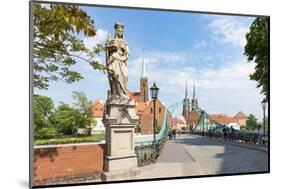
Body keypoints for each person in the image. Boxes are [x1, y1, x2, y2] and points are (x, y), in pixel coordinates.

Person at [105, 22, 129, 98]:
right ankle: (117, 94)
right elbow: (107, 50)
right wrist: (110, 46)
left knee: (125, 76)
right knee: (115, 76)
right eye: (118, 31)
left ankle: (123, 93)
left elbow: (127, 53)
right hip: (114, 59)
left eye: (121, 31)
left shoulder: (124, 42)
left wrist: (124, 49)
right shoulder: (112, 40)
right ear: (116, 31)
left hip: (122, 61)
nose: (120, 32)